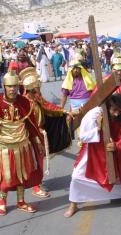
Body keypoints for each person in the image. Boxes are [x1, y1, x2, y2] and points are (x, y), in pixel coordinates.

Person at [64, 94, 121, 218]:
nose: (117, 114)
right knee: (76, 176)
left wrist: (117, 145)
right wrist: (97, 129)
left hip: (114, 150)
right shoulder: (95, 114)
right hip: (93, 149)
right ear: (108, 106)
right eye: (114, 110)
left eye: (120, 111)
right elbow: (84, 136)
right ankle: (73, 204)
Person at [0, 67, 45, 216]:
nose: (12, 89)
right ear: (4, 87)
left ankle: (21, 201)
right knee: (6, 175)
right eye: (9, 86)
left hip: (23, 145)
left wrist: (38, 141)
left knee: (22, 174)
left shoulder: (25, 102)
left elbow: (31, 125)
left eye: (15, 86)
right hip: (4, 147)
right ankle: (2, 201)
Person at [19, 67, 72, 197]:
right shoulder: (24, 102)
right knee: (35, 160)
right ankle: (36, 187)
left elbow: (48, 107)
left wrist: (64, 112)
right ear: (30, 88)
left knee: (39, 159)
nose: (39, 90)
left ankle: (38, 182)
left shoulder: (37, 98)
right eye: (36, 87)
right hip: (30, 136)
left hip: (40, 133)